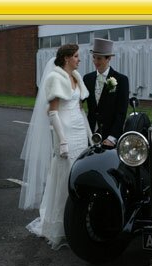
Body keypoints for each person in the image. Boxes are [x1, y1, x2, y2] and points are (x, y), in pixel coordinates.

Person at [19, 44, 91, 250]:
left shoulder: (77, 77)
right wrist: (62, 140)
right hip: (65, 132)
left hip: (79, 131)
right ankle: (60, 225)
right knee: (65, 177)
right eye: (76, 56)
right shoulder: (55, 78)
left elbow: (79, 108)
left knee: (79, 176)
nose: (79, 59)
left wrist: (88, 134)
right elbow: (52, 113)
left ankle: (77, 222)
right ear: (67, 58)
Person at [83, 38, 129, 146]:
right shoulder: (87, 78)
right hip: (90, 135)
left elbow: (121, 113)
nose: (95, 62)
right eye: (94, 58)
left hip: (109, 138)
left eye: (99, 58)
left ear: (108, 59)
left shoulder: (121, 80)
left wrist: (112, 138)